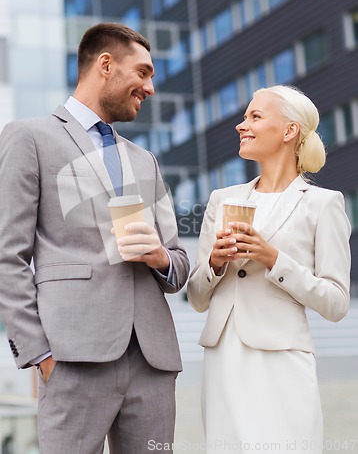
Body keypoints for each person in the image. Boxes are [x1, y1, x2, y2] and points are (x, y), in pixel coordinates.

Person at [0, 23, 190, 453]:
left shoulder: (146, 161)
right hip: (71, 360)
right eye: (143, 73)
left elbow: (178, 265)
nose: (150, 87)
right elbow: (7, 257)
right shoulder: (29, 137)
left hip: (152, 362)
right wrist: (41, 355)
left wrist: (160, 257)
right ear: (106, 64)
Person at [187, 85, 351, 453]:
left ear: (289, 130)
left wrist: (273, 259)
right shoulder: (221, 200)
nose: (241, 125)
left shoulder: (323, 205)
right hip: (223, 360)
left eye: (254, 117)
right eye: (245, 117)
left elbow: (337, 302)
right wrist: (214, 263)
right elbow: (197, 298)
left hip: (281, 362)